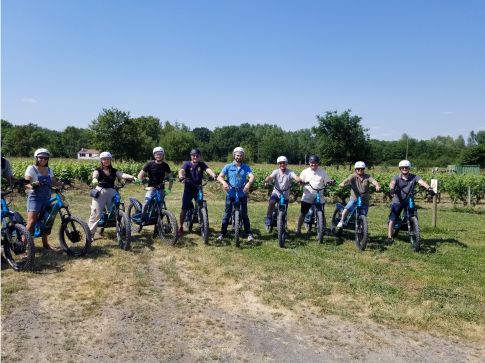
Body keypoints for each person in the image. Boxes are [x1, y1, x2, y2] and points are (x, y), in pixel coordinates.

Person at [88, 151, 137, 237]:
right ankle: (90, 235)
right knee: (96, 214)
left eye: (108, 159)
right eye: (104, 159)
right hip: (100, 191)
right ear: (101, 160)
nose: (106, 161)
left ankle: (120, 230)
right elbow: (95, 174)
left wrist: (133, 177)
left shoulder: (114, 171)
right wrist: (94, 179)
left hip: (112, 191)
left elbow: (122, 174)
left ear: (110, 160)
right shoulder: (98, 170)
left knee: (115, 212)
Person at [24, 148, 63, 250]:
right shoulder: (31, 168)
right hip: (35, 198)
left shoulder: (49, 170)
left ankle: (45, 244)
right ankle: (22, 247)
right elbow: (26, 182)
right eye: (41, 157)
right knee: (31, 222)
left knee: (46, 221)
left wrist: (63, 183)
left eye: (45, 158)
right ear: (36, 158)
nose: (43, 159)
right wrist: (32, 186)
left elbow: (54, 182)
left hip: (47, 197)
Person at [387, 160, 433, 243]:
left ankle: (414, 229)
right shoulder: (396, 177)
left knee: (413, 215)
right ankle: (389, 236)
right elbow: (392, 183)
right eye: (403, 168)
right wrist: (392, 189)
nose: (404, 169)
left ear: (409, 168)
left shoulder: (414, 177)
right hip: (398, 200)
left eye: (406, 167)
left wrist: (429, 188)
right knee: (393, 218)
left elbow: (421, 182)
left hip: (409, 200)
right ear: (400, 169)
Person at [216, 147, 255, 242]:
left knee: (245, 214)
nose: (239, 157)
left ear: (243, 157)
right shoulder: (228, 166)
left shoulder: (246, 167)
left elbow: (252, 176)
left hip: (242, 193)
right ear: (234, 155)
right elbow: (220, 177)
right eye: (237, 155)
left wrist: (249, 183)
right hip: (231, 193)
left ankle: (249, 234)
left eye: (241, 155)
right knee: (227, 214)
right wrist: (224, 183)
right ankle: (222, 233)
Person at [177, 148, 217, 236]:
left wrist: (213, 175)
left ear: (199, 157)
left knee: (201, 205)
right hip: (188, 189)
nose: (195, 157)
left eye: (197, 156)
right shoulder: (187, 164)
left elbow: (208, 169)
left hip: (198, 188)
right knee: (184, 209)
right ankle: (180, 227)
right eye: (193, 155)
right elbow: (181, 170)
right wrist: (181, 176)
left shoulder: (201, 164)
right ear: (191, 156)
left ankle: (202, 224)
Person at [295, 155, 334, 235]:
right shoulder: (305, 172)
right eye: (312, 163)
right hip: (307, 196)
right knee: (303, 213)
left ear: (318, 163)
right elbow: (300, 181)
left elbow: (327, 181)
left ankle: (324, 228)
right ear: (309, 163)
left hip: (319, 195)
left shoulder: (322, 172)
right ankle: (298, 229)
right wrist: (301, 182)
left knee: (321, 213)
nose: (314, 165)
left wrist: (330, 182)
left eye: (315, 163)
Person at [336, 161, 381, 229]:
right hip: (354, 197)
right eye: (358, 169)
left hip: (364, 198)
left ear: (364, 169)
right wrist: (343, 183)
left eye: (362, 169)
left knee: (364, 213)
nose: (360, 170)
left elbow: (373, 181)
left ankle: (361, 225)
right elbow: (347, 180)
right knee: (348, 207)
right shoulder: (353, 176)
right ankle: (341, 221)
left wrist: (377, 185)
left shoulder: (367, 176)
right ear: (355, 169)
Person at [263, 156, 301, 226]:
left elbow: (295, 177)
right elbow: (271, 177)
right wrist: (267, 179)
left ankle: (283, 222)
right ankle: (268, 217)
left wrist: (298, 179)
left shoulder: (290, 172)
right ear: (278, 164)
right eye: (280, 163)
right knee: (272, 202)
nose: (282, 164)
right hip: (276, 192)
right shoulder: (276, 171)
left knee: (285, 209)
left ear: (286, 164)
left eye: (284, 163)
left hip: (285, 193)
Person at [137, 146, 173, 218]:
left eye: (160, 154)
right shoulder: (149, 164)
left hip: (161, 189)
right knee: (146, 202)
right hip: (151, 188)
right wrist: (144, 187)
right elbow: (139, 176)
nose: (158, 155)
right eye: (157, 154)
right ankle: (143, 218)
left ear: (163, 155)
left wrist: (169, 189)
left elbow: (171, 178)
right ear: (154, 155)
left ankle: (158, 225)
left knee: (160, 206)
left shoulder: (165, 165)